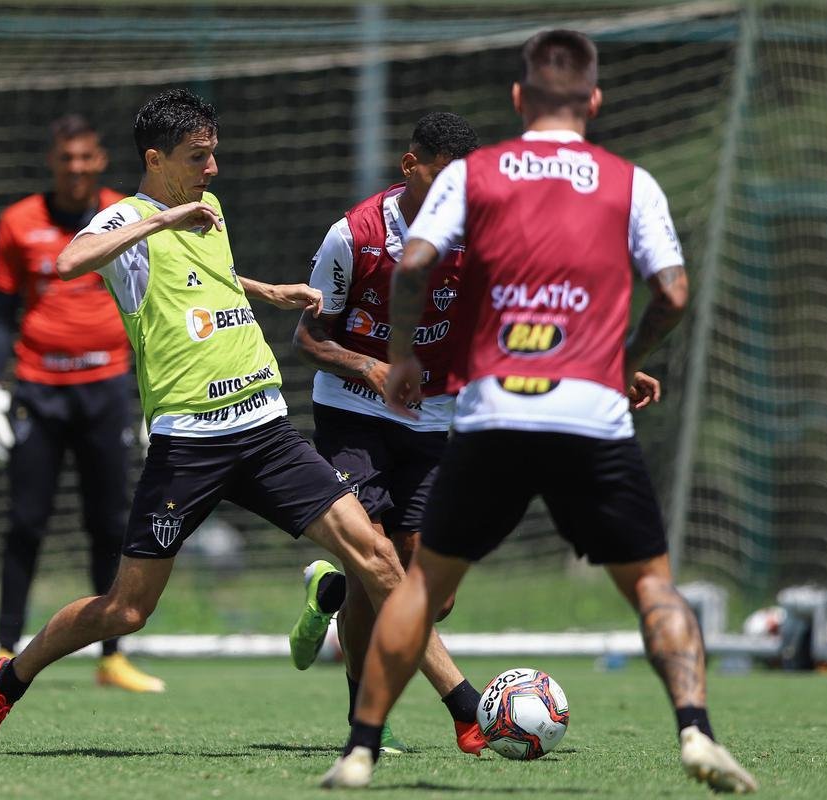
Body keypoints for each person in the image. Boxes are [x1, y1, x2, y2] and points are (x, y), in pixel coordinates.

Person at [0, 89, 486, 757]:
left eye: (213, 155)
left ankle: (468, 713)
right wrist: (161, 220)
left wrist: (270, 293)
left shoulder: (209, 210)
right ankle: (7, 680)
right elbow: (66, 265)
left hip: (264, 429)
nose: (212, 169)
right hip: (191, 443)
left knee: (376, 557)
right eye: (197, 157)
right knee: (127, 609)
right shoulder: (124, 221)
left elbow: (214, 277)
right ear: (156, 158)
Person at [322, 30, 759, 793]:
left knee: (421, 588)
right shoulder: (630, 180)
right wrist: (620, 361)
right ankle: (695, 731)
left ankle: (360, 749)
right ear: (594, 101)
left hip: (493, 413)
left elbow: (415, 264)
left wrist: (403, 354)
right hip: (589, 412)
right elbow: (676, 294)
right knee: (654, 585)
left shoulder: (479, 174)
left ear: (520, 100)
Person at [288, 112, 483, 754]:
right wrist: (368, 366)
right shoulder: (354, 235)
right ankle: (364, 719)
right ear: (410, 166)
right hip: (353, 412)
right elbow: (309, 337)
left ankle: (330, 589)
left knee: (432, 594)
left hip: (433, 418)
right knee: (377, 556)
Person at [0, 114, 163, 693]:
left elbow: (157, 306)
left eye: (86, 158)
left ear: (101, 160)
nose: (76, 168)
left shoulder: (126, 218)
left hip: (106, 391)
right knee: (24, 524)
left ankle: (112, 657)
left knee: (109, 524)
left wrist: (159, 395)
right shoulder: (18, 222)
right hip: (38, 391)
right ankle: (3, 650)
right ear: (53, 162)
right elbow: (2, 313)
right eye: (66, 158)